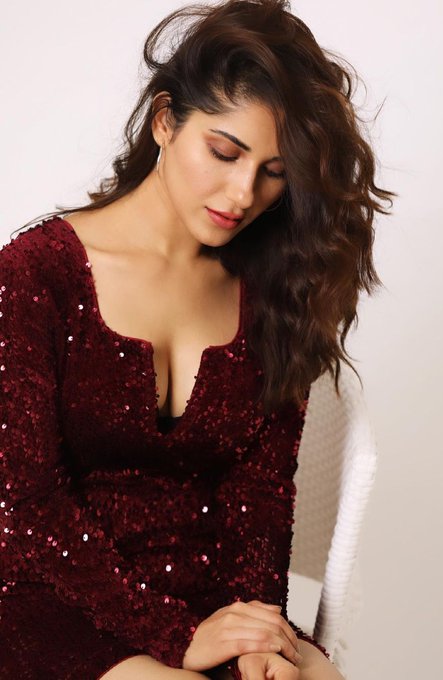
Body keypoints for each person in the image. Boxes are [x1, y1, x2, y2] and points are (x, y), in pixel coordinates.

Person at [0, 0, 395, 678]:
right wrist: (173, 635)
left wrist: (258, 639)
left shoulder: (275, 294)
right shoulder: (35, 274)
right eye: (224, 152)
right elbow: (28, 507)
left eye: (274, 171)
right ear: (164, 121)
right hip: (58, 597)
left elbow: (261, 499)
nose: (243, 193)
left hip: (216, 604)